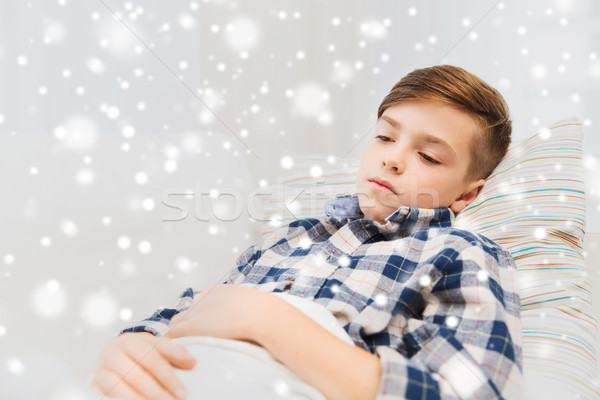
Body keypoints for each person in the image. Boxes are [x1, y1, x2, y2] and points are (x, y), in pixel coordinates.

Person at [90, 64, 522, 400]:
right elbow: (200, 309)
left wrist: (270, 320)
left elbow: (471, 389)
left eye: (428, 156)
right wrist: (132, 346)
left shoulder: (463, 253)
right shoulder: (287, 238)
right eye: (385, 137)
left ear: (466, 195)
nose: (393, 159)